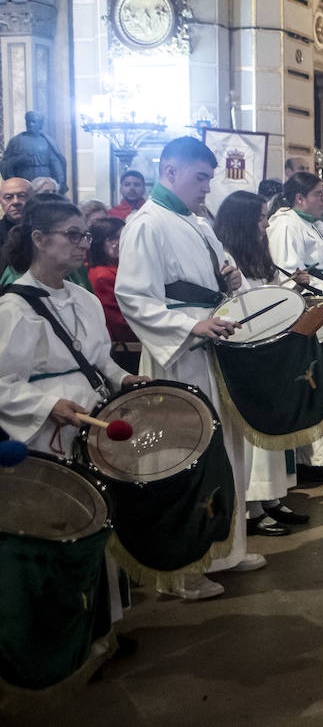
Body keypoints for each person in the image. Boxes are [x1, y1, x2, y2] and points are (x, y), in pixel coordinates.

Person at [115, 136, 262, 599]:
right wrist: (189, 326)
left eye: (210, 178)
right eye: (201, 178)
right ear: (170, 170)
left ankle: (224, 550)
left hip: (209, 348)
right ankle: (182, 570)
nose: (207, 187)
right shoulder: (146, 224)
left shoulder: (197, 221)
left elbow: (219, 272)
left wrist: (232, 276)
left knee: (223, 452)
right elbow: (134, 297)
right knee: (184, 458)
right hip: (177, 356)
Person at [0, 198, 147, 652]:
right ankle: (71, 641)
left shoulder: (82, 296)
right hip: (49, 435)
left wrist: (125, 377)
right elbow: (3, 383)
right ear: (39, 240)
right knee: (69, 530)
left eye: (85, 235)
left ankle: (106, 628)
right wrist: (46, 405)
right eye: (73, 234)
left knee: (104, 522)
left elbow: (98, 357)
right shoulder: (12, 308)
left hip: (95, 424)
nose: (84, 244)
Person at [214, 191, 309, 537]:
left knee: (273, 427)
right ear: (242, 222)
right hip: (247, 352)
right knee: (253, 431)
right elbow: (236, 303)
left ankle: (272, 497)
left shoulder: (257, 253)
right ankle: (253, 505)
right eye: (259, 218)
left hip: (271, 347)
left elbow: (269, 291)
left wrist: (291, 286)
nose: (266, 224)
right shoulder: (226, 256)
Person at [266, 172, 323, 471]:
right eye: (319, 193)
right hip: (314, 315)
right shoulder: (287, 225)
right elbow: (288, 276)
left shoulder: (317, 225)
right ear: (299, 198)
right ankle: (314, 460)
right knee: (317, 382)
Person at [86, 216, 139, 371]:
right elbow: (119, 321)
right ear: (99, 241)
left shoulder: (118, 268)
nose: (118, 243)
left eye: (122, 237)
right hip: (125, 348)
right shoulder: (103, 275)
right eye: (112, 238)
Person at [0, 110, 67, 192]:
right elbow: (5, 163)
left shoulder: (47, 141)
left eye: (34, 122)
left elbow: (56, 163)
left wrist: (60, 182)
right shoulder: (16, 141)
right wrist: (18, 160)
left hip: (44, 180)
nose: (30, 124)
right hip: (24, 177)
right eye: (28, 121)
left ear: (40, 124)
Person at [0, 177, 33, 258]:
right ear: (0, 201)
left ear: (33, 199)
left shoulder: (45, 230)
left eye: (22, 196)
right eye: (8, 197)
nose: (16, 202)